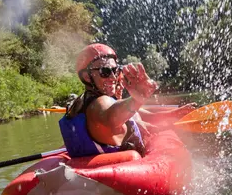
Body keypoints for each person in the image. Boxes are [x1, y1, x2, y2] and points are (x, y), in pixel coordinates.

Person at [59, 43, 196, 158]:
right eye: (105, 71)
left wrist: (172, 113)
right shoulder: (99, 104)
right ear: (87, 77)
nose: (113, 77)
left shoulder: (83, 101)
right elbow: (110, 116)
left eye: (115, 70)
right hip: (114, 182)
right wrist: (136, 100)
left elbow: (135, 113)